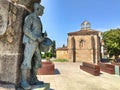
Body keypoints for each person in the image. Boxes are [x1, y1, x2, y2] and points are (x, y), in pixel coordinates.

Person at [20, 3, 45, 89]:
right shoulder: (30, 17)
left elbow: (36, 31)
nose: (43, 12)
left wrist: (42, 35)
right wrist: (35, 38)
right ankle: (23, 82)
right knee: (27, 61)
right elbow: (25, 29)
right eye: (42, 10)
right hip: (30, 42)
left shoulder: (38, 19)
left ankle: (33, 79)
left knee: (37, 61)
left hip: (36, 43)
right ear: (37, 9)